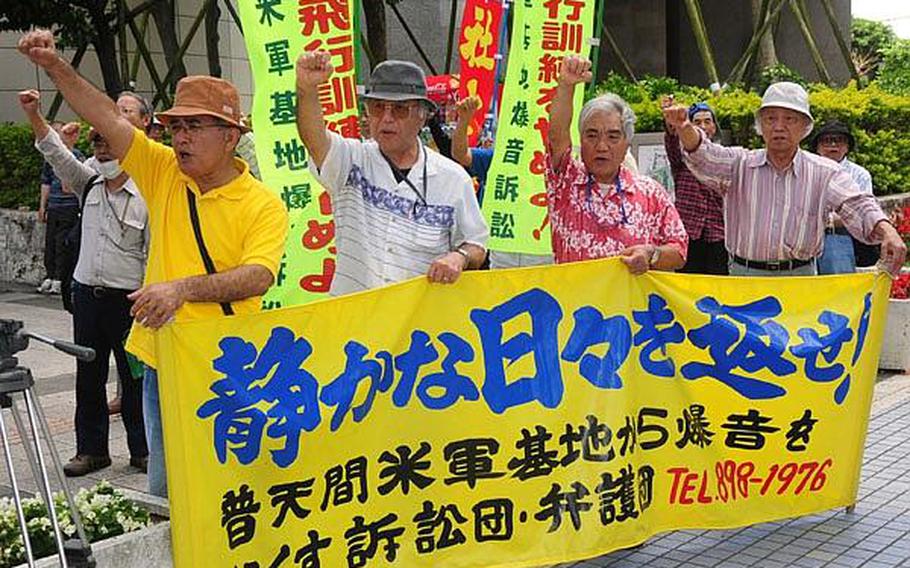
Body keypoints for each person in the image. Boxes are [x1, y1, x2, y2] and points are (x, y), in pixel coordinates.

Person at [18, 29, 289, 497]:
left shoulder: (263, 204)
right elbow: (104, 114)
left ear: (230, 137)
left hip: (230, 366)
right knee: (165, 489)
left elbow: (259, 276)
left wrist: (181, 289)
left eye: (194, 128)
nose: (180, 138)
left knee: (228, 486)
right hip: (164, 358)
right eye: (176, 127)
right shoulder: (164, 170)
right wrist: (55, 65)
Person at [20, 89, 149, 476]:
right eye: (99, 140)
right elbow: (56, 153)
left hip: (131, 301)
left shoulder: (152, 187)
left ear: (144, 126)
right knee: (87, 377)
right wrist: (35, 116)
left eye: (123, 117)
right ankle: (91, 450)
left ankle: (143, 449)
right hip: (87, 298)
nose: (103, 146)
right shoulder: (89, 181)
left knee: (135, 379)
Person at [664, 81, 906, 276]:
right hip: (744, 277)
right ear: (761, 126)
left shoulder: (824, 172)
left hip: (800, 279)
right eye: (771, 119)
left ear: (805, 127)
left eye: (789, 119)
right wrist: (685, 126)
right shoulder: (738, 164)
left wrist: (887, 232)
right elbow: (704, 156)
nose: (779, 126)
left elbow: (857, 203)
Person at [295, 52, 488, 294]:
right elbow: (314, 140)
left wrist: (459, 257)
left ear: (422, 116)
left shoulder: (453, 178)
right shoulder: (352, 159)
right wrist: (306, 89)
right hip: (352, 322)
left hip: (417, 325)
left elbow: (477, 245)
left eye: (399, 109)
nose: (386, 118)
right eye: (377, 108)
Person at [546, 55, 688, 273]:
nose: (602, 146)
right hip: (573, 305)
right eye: (592, 135)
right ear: (581, 140)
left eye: (613, 137)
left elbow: (679, 250)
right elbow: (557, 137)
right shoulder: (566, 181)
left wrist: (651, 255)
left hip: (629, 306)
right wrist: (566, 85)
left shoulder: (650, 193)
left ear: (626, 143)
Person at [450, 95, 554, 269]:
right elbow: (461, 154)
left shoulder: (558, 166)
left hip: (541, 254)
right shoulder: (502, 157)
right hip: (497, 251)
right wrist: (464, 121)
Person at [662, 98, 727, 275]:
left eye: (707, 121)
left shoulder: (724, 159)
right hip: (690, 231)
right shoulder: (682, 158)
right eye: (697, 122)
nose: (703, 126)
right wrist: (672, 122)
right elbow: (672, 141)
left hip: (718, 232)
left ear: (714, 127)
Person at [810, 120, 879, 271]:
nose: (833, 145)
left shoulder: (860, 174)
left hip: (839, 236)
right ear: (817, 147)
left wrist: (823, 220)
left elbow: (862, 213)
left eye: (839, 140)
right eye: (827, 141)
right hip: (805, 235)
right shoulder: (807, 171)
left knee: (835, 253)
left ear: (847, 147)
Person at [37, 121, 83, 296]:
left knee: (62, 243)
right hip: (54, 205)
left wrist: (67, 151)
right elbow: (45, 182)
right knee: (50, 243)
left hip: (69, 206)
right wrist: (43, 206)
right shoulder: (49, 159)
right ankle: (49, 275)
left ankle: (59, 278)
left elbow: (69, 186)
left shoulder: (76, 156)